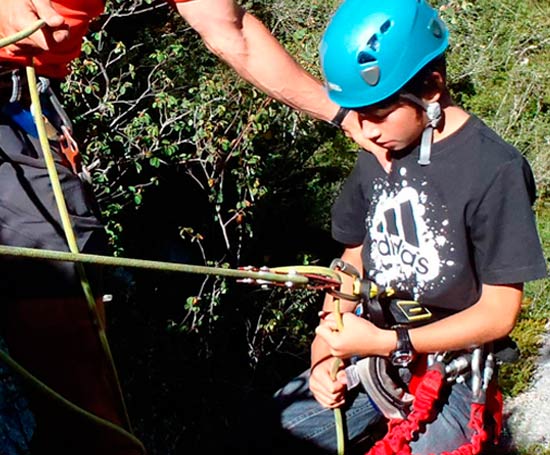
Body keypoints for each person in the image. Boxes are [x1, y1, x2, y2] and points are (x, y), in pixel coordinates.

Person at [0, 0, 383, 454]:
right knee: (78, 382)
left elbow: (230, 28)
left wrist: (344, 115)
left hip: (23, 109)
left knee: (79, 379)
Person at [273, 0, 548, 454]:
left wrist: (389, 341)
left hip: (453, 373)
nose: (363, 130)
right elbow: (351, 260)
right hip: (371, 349)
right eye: (355, 114)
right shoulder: (378, 150)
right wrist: (325, 348)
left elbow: (499, 313)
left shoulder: (494, 170)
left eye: (377, 114)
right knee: (266, 431)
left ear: (433, 87)